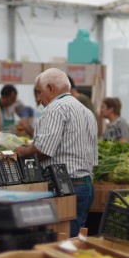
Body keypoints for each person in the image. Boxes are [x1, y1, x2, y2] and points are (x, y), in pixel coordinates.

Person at [15, 69, 97, 237]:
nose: (38, 99)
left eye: (39, 92)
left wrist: (22, 151)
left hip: (64, 187)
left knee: (61, 241)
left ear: (50, 88)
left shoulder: (55, 108)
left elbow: (43, 150)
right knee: (75, 241)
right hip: (85, 186)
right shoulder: (87, 112)